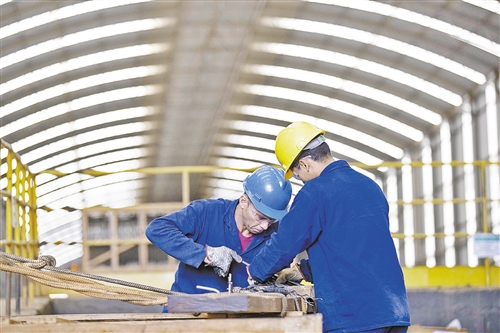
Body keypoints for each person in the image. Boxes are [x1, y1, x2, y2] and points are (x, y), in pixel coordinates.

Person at [248, 121, 411, 333]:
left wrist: (255, 270)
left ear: (305, 164)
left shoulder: (315, 192)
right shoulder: (369, 186)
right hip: (394, 314)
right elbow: (356, 247)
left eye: (296, 174)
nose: (300, 179)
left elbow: (285, 243)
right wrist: (302, 271)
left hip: (354, 318)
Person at [145, 165, 292, 311]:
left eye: (272, 220)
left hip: (239, 321)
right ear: (243, 201)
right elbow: (157, 229)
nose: (265, 226)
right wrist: (205, 254)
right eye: (260, 217)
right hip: (186, 315)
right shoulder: (206, 213)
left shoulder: (276, 237)